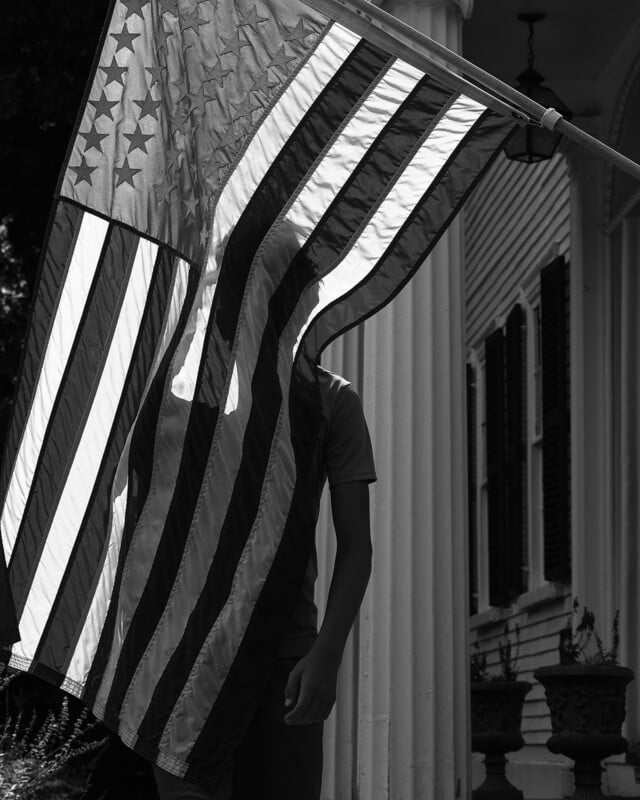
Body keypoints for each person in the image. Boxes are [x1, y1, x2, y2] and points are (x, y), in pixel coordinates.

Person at [153, 364, 376, 800]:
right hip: (184, 659)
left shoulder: (333, 397)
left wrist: (326, 653)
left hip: (284, 658)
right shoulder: (179, 390)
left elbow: (357, 547)